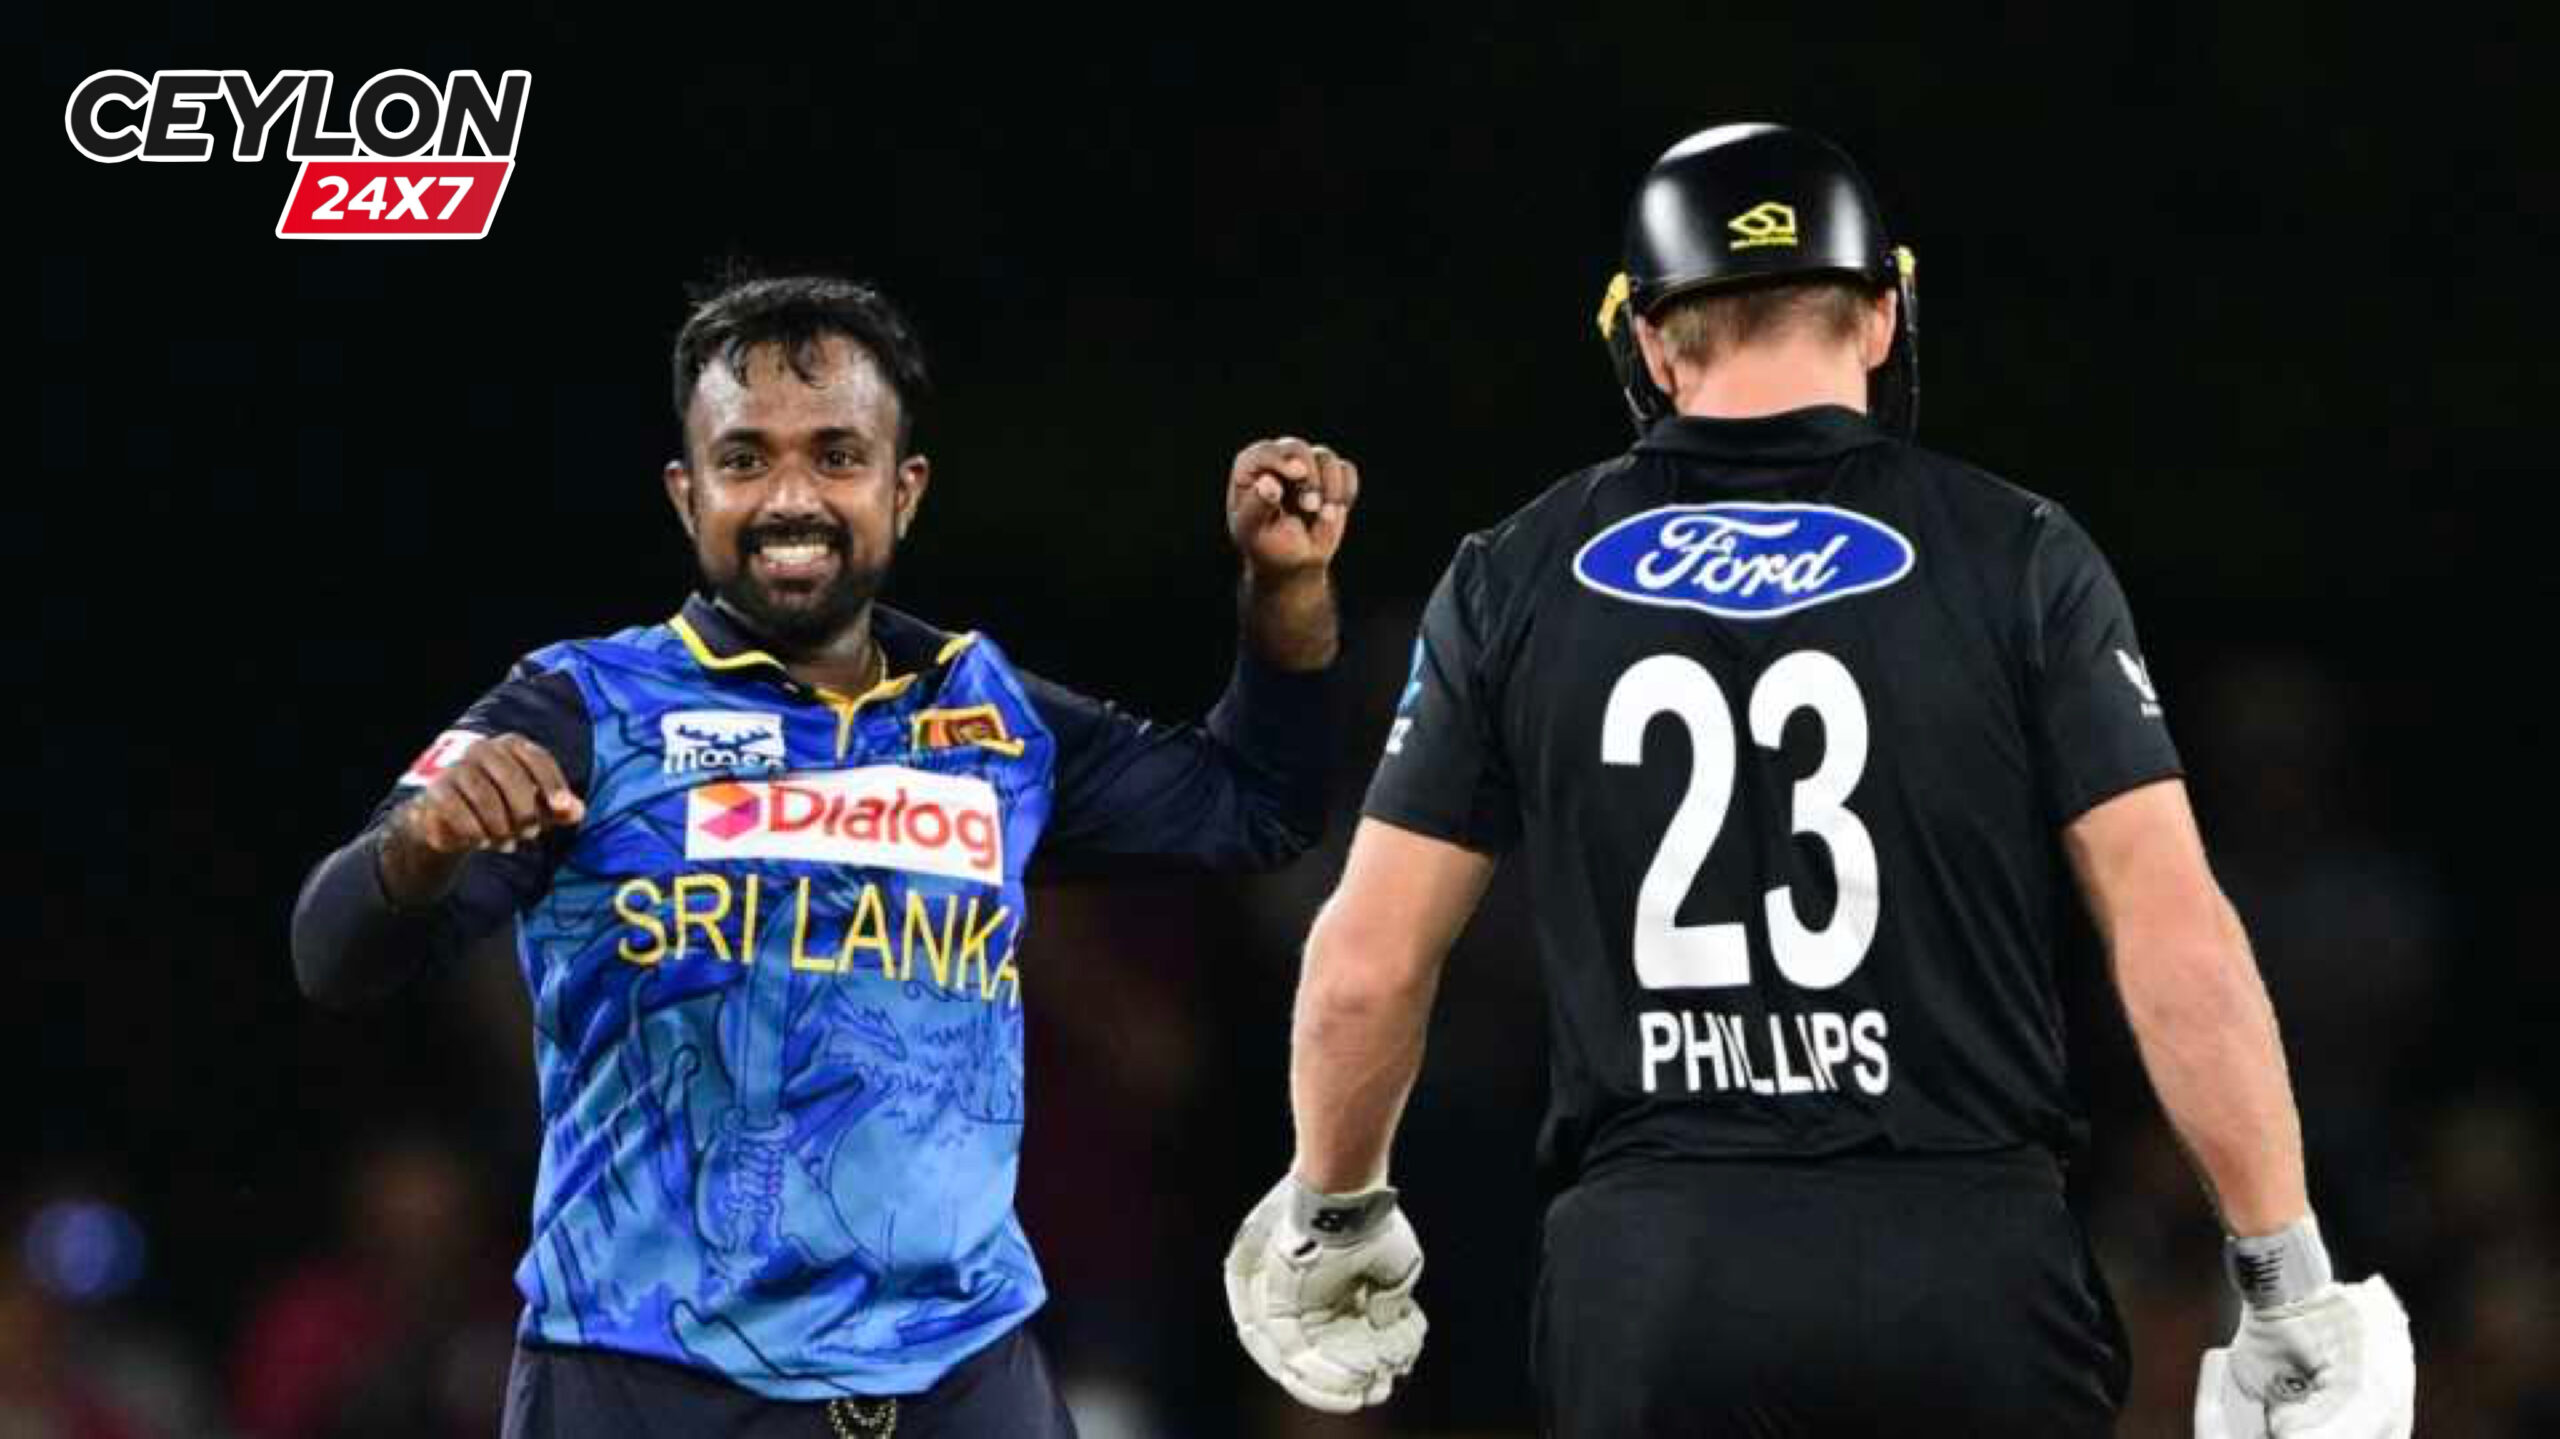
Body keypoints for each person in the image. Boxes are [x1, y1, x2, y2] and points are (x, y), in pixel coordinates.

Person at [1223, 124, 2415, 1436]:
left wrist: (1335, 1207)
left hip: (1659, 1277)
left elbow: (1367, 963)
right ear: (1884, 315)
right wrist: (2283, 1270)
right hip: (1969, 1266)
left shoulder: (1512, 575)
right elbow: (2173, 937)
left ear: (1652, 343)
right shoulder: (2020, 554)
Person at [291, 273, 1360, 1437]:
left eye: (837, 455)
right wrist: (421, 843)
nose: (791, 496)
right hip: (650, 1379)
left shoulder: (987, 714)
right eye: (744, 459)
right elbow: (332, 953)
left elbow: (1256, 805)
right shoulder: (580, 707)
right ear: (686, 492)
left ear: (904, 490)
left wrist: (1284, 588)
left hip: (958, 1374)